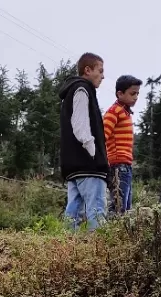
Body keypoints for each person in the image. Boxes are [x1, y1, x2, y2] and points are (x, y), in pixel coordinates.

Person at [59, 52, 108, 230]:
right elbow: (80, 125)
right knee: (97, 212)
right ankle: (100, 253)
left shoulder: (71, 92)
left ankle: (65, 251)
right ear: (87, 70)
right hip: (88, 165)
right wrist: (94, 154)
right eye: (100, 71)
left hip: (73, 166)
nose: (103, 76)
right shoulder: (82, 89)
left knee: (73, 214)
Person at [103, 75, 142, 214]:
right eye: (132, 93)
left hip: (125, 164)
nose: (136, 97)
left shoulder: (125, 112)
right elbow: (102, 136)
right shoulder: (114, 111)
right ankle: (112, 234)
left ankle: (121, 234)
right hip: (117, 165)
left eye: (137, 93)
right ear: (120, 93)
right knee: (118, 206)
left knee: (125, 206)